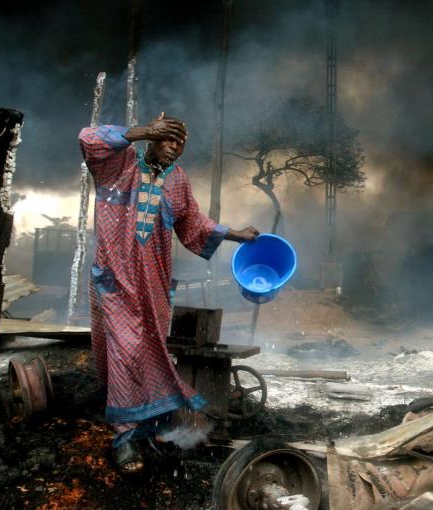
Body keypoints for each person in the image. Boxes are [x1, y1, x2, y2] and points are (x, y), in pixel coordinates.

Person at [79, 113, 259, 473]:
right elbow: (88, 139)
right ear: (154, 138)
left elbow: (193, 222)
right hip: (115, 280)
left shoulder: (177, 180)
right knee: (125, 350)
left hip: (154, 285)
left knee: (150, 350)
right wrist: (142, 131)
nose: (175, 150)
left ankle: (148, 424)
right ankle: (125, 438)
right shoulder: (119, 163)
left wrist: (236, 234)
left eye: (181, 145)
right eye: (169, 140)